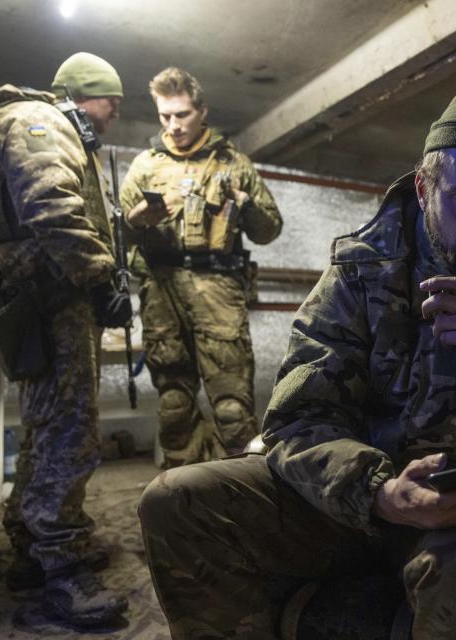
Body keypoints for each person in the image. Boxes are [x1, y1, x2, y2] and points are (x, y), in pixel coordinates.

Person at [139, 89, 456, 639]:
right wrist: (379, 491)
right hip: (357, 498)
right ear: (425, 187)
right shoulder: (363, 270)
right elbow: (297, 420)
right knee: (177, 502)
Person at [0, 52, 131, 626]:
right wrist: (99, 278)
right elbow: (53, 207)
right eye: (111, 100)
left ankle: (31, 549)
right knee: (69, 434)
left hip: (46, 299)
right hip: (54, 300)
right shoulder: (39, 122)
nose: (115, 112)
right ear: (88, 94)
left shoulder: (45, 126)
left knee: (44, 430)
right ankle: (63, 569)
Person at [120, 67, 283, 467]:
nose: (173, 126)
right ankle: (184, 501)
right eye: (165, 117)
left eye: (182, 115)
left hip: (218, 290)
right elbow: (119, 232)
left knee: (231, 410)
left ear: (202, 111)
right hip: (162, 290)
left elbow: (269, 229)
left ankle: (243, 502)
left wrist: (243, 201)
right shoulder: (145, 165)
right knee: (174, 405)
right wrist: (137, 218)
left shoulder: (233, 163)